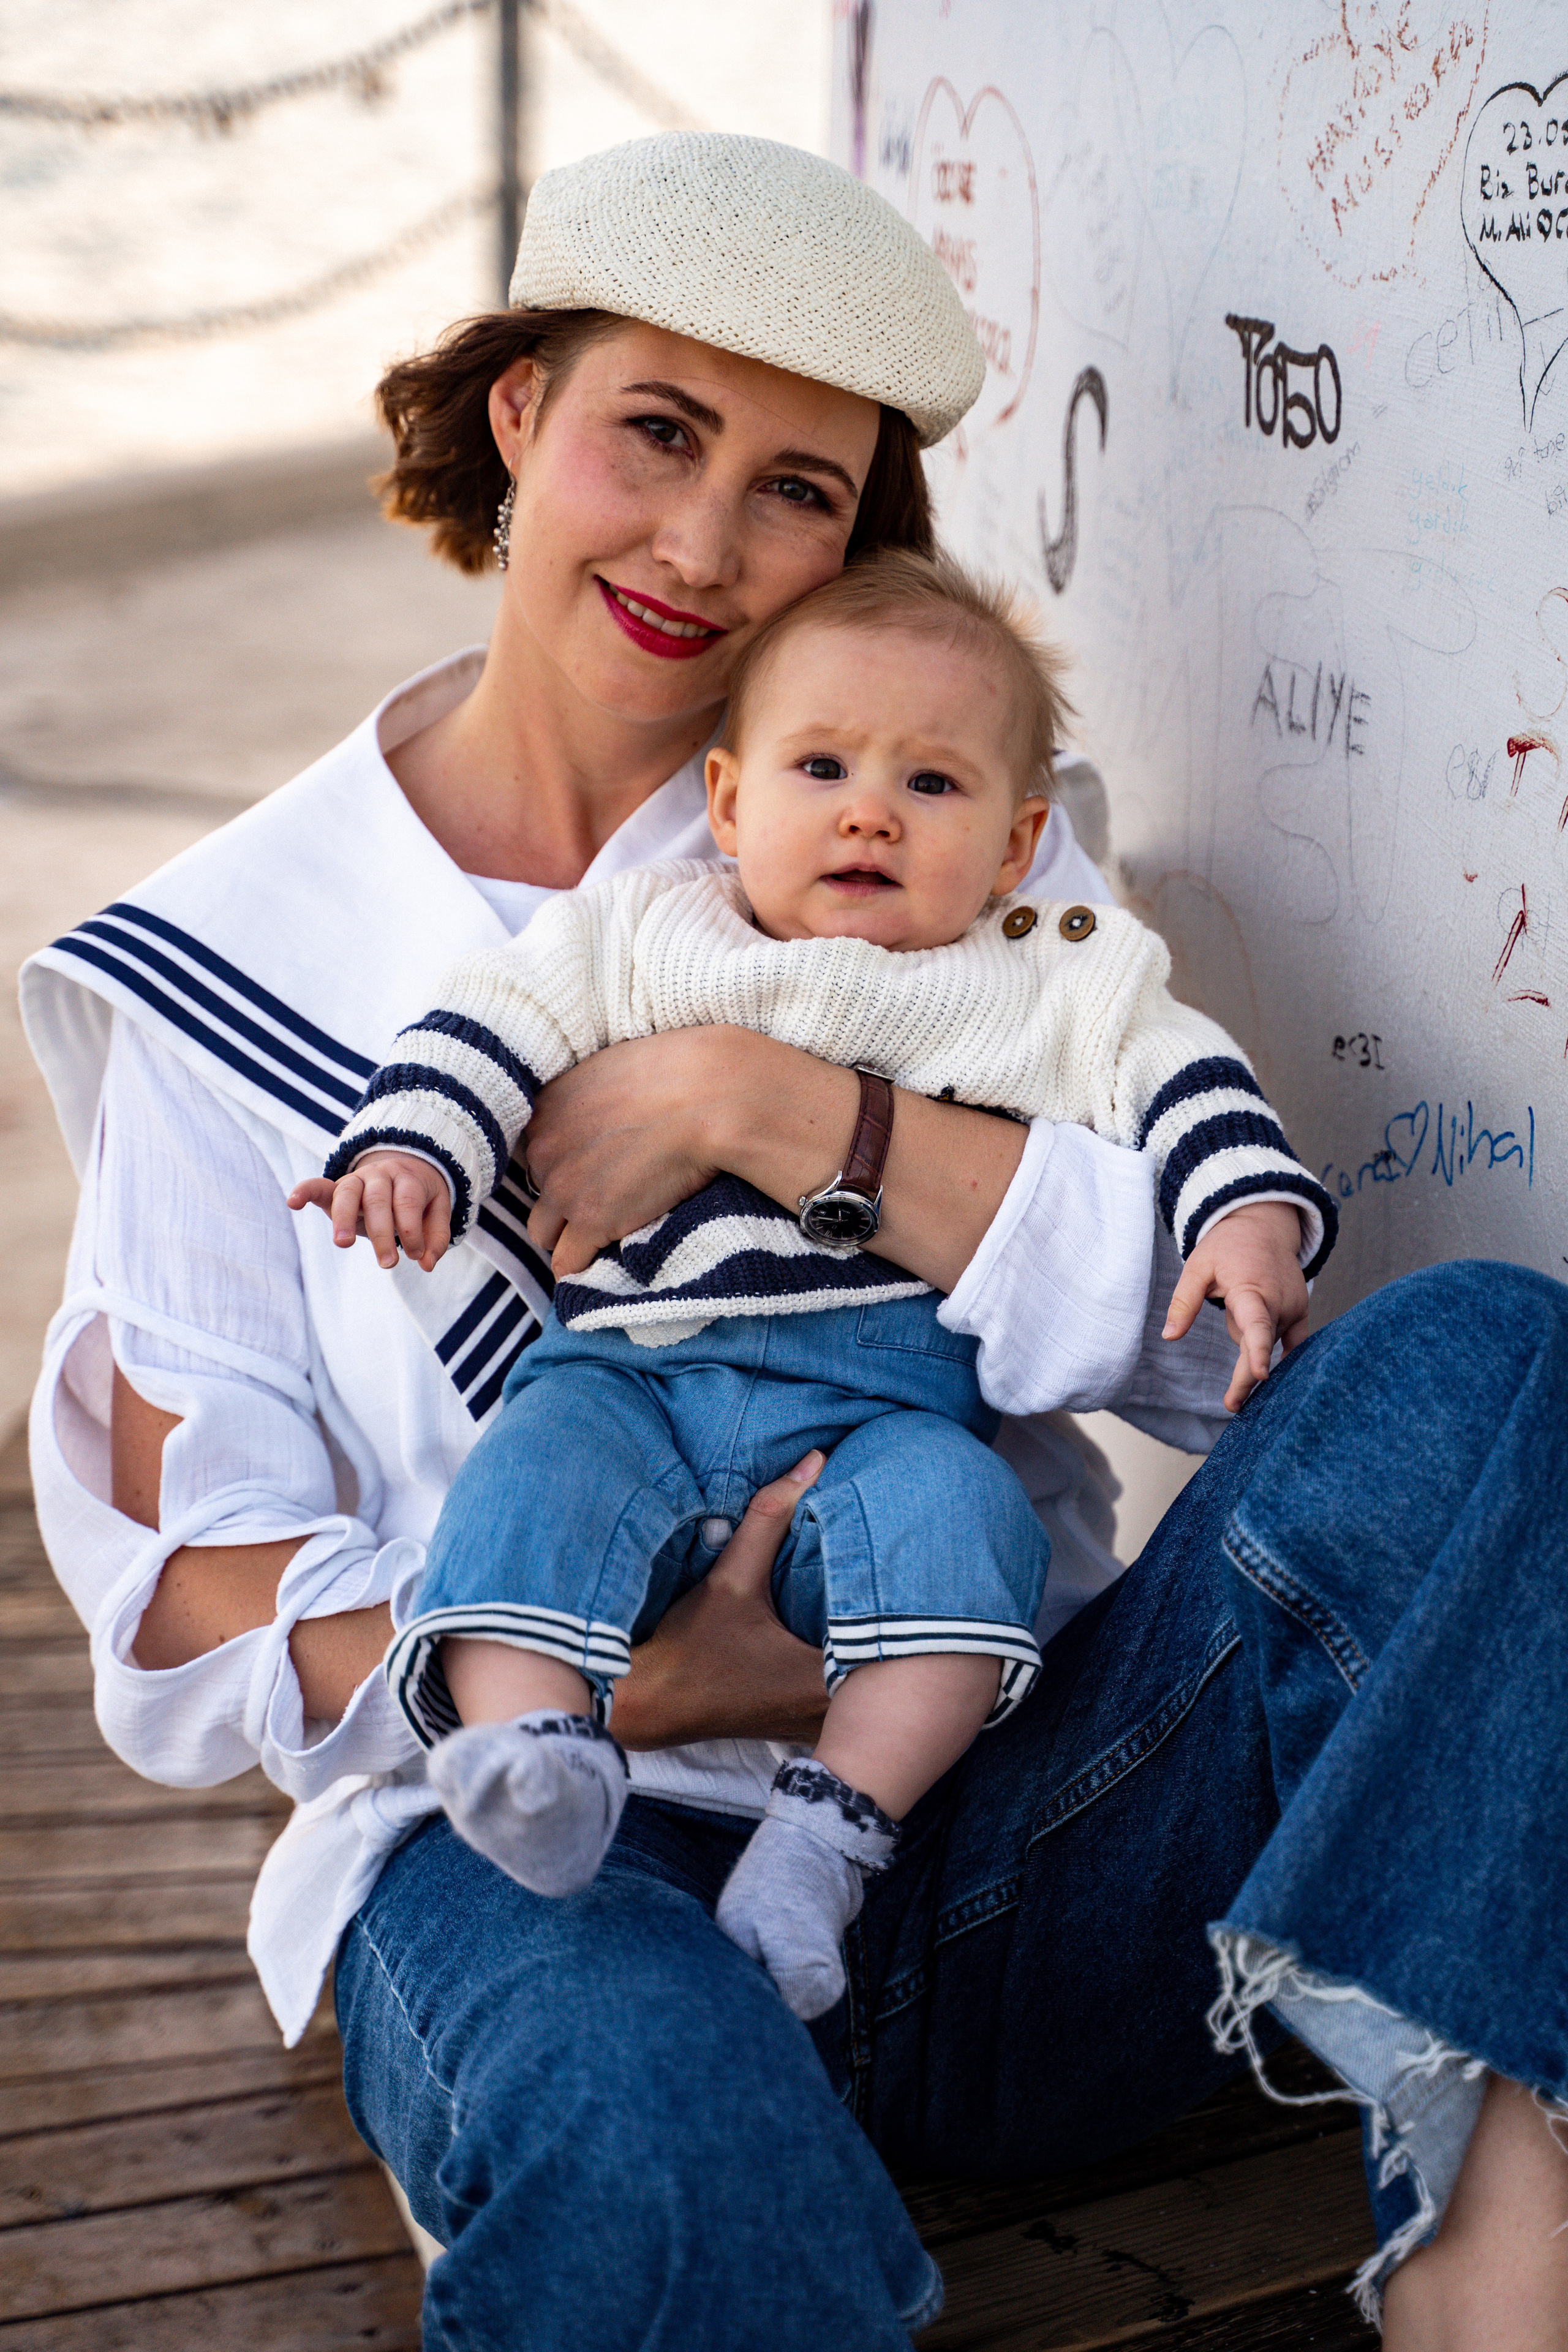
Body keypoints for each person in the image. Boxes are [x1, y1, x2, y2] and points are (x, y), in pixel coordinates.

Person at [18, 132, 1566, 2351]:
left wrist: (796, 1113)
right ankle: (689, 2138)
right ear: (521, 411)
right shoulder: (220, 973)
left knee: (1489, 1367)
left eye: (801, 492)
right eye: (658, 433)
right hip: (546, 1853)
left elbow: (1190, 1365)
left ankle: (1497, 2237)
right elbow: (198, 1597)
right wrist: (651, 1683)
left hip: (1000, 1814)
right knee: (655, 2153)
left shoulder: (909, 812)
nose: (707, 548)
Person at [292, 548, 1330, 2024]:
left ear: (1020, 841)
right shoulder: (648, 929)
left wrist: (1243, 1213)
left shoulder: (1048, 979)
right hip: (630, 1376)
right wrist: (408, 1146)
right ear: (728, 802)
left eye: (931, 786)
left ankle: (823, 1839)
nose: (867, 810)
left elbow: (1186, 1081)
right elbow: (490, 1025)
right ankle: (531, 1764)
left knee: (971, 1529)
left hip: (881, 1415)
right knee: (525, 1490)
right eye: (823, 765)